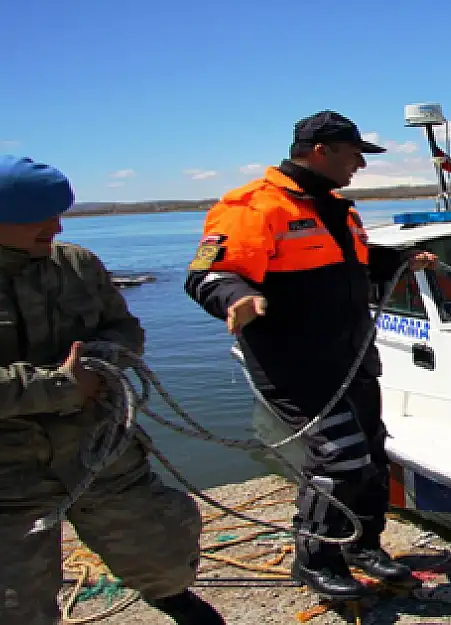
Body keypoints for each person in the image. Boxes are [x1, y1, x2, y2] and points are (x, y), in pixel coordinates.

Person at [183, 111, 437, 600]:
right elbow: (207, 274)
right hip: (294, 364)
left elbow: (355, 262)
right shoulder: (252, 208)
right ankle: (315, 560)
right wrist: (235, 300)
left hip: (353, 357)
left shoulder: (337, 208)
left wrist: (402, 259)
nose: (361, 163)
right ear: (321, 151)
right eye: (354, 152)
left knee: (370, 458)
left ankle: (362, 546)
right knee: (339, 460)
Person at [0, 155, 223, 624]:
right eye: (39, 218)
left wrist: (106, 359)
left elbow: (123, 327)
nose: (56, 227)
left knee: (164, 547)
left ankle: (170, 596)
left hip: (100, 453)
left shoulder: (77, 265)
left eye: (59, 213)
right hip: (10, 480)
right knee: (16, 604)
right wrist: (60, 386)